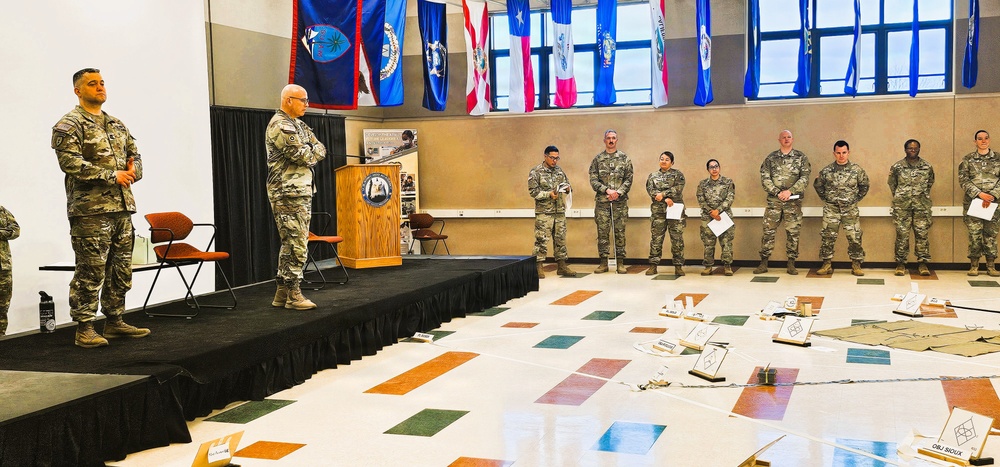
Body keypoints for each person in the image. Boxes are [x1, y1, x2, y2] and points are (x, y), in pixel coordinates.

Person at [51, 68, 150, 348]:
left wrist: (133, 170)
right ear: (78, 91)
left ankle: (115, 321)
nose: (99, 88)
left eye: (102, 83)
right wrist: (111, 175)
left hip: (121, 207)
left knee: (121, 268)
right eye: (92, 84)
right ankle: (85, 328)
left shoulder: (116, 124)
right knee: (91, 269)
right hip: (90, 211)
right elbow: (69, 163)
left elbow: (135, 154)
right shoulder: (70, 124)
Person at [266, 84, 327, 309]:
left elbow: (320, 147)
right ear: (288, 100)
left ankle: (282, 292)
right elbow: (304, 156)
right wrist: (312, 152)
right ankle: (294, 294)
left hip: (300, 190)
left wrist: (313, 151)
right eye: (303, 100)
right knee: (297, 243)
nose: (307, 105)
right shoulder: (280, 125)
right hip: (287, 192)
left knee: (291, 243)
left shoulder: (299, 125)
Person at [756, 130, 811, 275]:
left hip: (793, 203)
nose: (786, 139)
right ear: (779, 140)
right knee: (768, 232)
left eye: (789, 137)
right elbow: (765, 177)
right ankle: (763, 262)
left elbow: (805, 178)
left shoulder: (801, 157)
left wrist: (790, 191)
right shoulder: (771, 158)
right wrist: (777, 192)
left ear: (793, 139)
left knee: (793, 233)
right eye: (783, 137)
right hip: (774, 202)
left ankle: (791, 263)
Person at [813, 140, 870, 276]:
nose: (841, 155)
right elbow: (818, 186)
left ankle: (856, 264)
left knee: (854, 237)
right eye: (838, 153)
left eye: (844, 152)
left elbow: (865, 186)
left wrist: (854, 200)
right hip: (831, 209)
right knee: (828, 237)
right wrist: (827, 200)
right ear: (834, 153)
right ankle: (827, 264)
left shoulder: (857, 170)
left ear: (848, 152)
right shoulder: (827, 171)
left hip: (850, 210)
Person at [888, 139, 935, 276]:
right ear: (905, 149)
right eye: (910, 148)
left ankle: (922, 263)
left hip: (921, 206)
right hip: (902, 207)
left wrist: (921, 196)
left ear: (919, 149)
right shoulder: (897, 167)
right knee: (902, 235)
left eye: (915, 148)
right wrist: (901, 197)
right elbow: (892, 184)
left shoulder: (927, 166)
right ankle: (900, 263)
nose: (913, 150)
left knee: (922, 235)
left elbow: (930, 183)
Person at [589, 129, 633, 274]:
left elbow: (629, 179)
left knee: (620, 232)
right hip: (603, 202)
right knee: (602, 232)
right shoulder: (597, 159)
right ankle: (603, 263)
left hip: (619, 202)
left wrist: (618, 192)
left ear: (617, 140)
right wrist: (607, 190)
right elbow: (593, 180)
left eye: (614, 138)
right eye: (608, 138)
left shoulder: (624, 158)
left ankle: (620, 263)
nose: (611, 140)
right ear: (604, 140)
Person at [528, 145, 576, 278]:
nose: (555, 161)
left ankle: (562, 266)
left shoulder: (559, 171)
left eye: (557, 158)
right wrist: (548, 194)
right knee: (541, 240)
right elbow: (533, 192)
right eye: (552, 158)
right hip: (544, 212)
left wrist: (568, 189)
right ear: (545, 156)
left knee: (560, 239)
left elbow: (568, 185)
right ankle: (538, 267)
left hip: (559, 211)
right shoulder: (536, 172)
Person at [958, 130, 1000, 277]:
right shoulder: (967, 160)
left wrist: (992, 196)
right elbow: (963, 180)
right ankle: (974, 265)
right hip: (973, 202)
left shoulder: (998, 158)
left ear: (989, 140)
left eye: (986, 138)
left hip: (994, 204)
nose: (983, 141)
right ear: (975, 141)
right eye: (980, 139)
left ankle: (991, 266)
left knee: (990, 235)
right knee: (975, 235)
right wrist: (980, 194)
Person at [646, 151, 686, 276]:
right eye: (661, 158)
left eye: (667, 159)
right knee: (656, 239)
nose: (663, 161)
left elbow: (678, 189)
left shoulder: (677, 174)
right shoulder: (653, 176)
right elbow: (651, 191)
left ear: (672, 162)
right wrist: (665, 199)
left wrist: (663, 194)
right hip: (658, 212)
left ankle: (678, 266)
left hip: (675, 211)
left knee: (677, 239)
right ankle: (653, 265)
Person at [696, 159, 735, 276]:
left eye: (716, 166)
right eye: (711, 167)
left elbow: (730, 198)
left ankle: (727, 266)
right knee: (708, 243)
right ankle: (708, 266)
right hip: (708, 217)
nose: (714, 169)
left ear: (719, 167)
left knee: (726, 242)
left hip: (723, 216)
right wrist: (710, 212)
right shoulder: (702, 184)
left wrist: (718, 211)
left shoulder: (728, 182)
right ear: (708, 169)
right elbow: (701, 199)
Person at [0, 205, 18, 336]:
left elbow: (15, 230)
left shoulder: (2, 211)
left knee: (3, 304)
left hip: (3, 267)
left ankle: (2, 337)